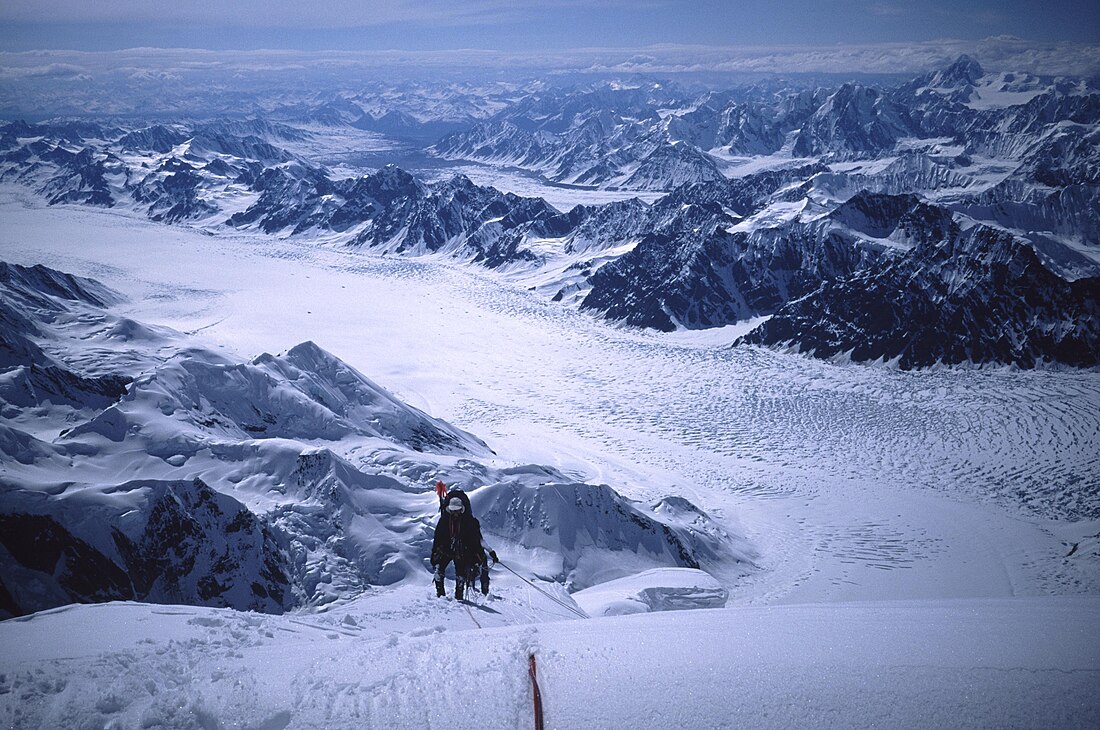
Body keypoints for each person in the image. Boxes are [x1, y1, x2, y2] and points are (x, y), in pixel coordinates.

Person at [430, 486, 498, 599]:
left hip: (461, 551)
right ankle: (440, 595)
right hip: (447, 549)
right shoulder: (444, 521)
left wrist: (490, 551)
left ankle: (459, 597)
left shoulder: (469, 522)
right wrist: (435, 554)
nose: (455, 513)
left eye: (457, 511)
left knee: (460, 574)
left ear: (462, 509)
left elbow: (479, 540)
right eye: (453, 511)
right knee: (439, 571)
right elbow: (437, 539)